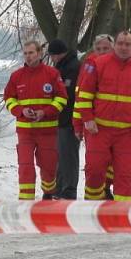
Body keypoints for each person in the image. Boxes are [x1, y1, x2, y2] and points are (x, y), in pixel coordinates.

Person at [75, 31, 131, 201]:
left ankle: (121, 215)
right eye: (120, 43)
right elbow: (84, 94)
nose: (123, 47)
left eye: (128, 44)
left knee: (126, 174)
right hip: (99, 130)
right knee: (95, 170)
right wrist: (87, 119)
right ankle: (92, 206)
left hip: (127, 134)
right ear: (115, 45)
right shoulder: (99, 64)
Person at [4, 41, 68, 200]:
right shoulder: (16, 76)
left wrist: (45, 112)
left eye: (31, 53)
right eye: (25, 53)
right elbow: (9, 99)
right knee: (25, 166)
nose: (28, 56)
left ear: (39, 54)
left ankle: (48, 191)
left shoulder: (52, 74)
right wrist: (21, 111)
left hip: (48, 131)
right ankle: (25, 200)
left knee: (48, 166)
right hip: (25, 130)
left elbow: (62, 98)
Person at [72, 34, 115, 199]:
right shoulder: (90, 64)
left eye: (105, 49)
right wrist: (78, 124)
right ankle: (94, 195)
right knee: (96, 163)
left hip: (117, 125)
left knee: (115, 162)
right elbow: (80, 95)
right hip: (94, 125)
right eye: (98, 49)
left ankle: (106, 187)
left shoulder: (119, 64)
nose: (102, 52)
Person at [46, 38, 81, 200]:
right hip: (61, 120)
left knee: (68, 158)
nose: (51, 59)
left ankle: (68, 190)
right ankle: (59, 188)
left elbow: (71, 96)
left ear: (58, 54)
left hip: (69, 120)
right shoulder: (62, 67)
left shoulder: (72, 68)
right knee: (60, 157)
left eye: (52, 56)